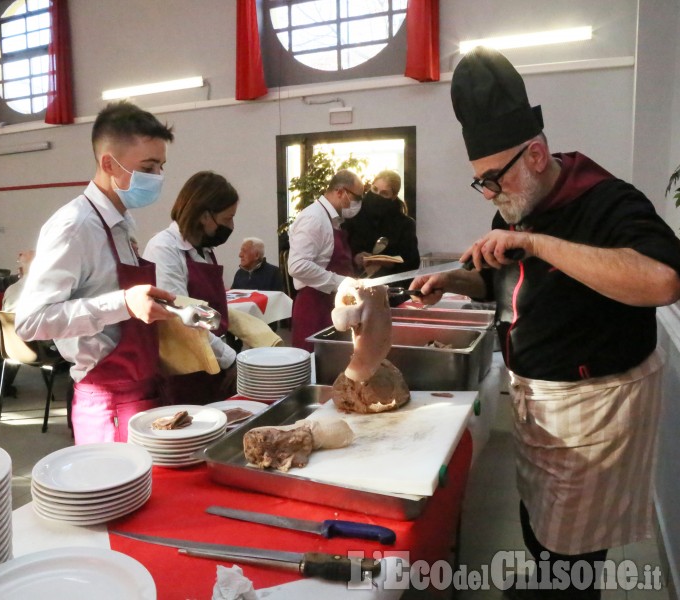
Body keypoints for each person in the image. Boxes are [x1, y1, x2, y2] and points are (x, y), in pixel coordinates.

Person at [410, 47, 680, 599]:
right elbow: (499, 283)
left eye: (493, 180)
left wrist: (535, 242)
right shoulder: (512, 208)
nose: (488, 194)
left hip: (594, 407)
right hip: (537, 397)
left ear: (535, 155)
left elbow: (662, 280)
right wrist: (452, 283)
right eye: (480, 183)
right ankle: (545, 582)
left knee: (576, 548)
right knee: (539, 523)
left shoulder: (605, 200)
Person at [15, 101, 176, 444]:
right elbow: (30, 321)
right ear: (108, 163)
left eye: (161, 166)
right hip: (106, 401)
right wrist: (123, 304)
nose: (157, 177)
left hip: (141, 387)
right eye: (148, 167)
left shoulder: (121, 223)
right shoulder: (75, 226)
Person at [143, 171, 238, 404]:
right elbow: (184, 317)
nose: (232, 226)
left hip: (210, 358)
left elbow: (208, 311)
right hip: (184, 371)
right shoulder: (164, 249)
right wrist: (230, 358)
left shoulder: (204, 250)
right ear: (205, 216)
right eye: (227, 219)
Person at [287, 169, 363, 351]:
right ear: (340, 192)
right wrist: (341, 282)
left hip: (332, 305)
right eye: (357, 198)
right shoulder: (313, 218)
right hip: (314, 308)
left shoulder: (332, 220)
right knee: (315, 366)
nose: (359, 204)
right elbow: (297, 266)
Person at [342, 170, 420, 282]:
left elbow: (412, 263)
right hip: (355, 284)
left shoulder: (404, 224)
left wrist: (388, 263)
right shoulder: (353, 217)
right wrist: (355, 259)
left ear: (393, 196)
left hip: (391, 287)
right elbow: (340, 254)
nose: (377, 196)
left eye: (384, 193)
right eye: (375, 189)